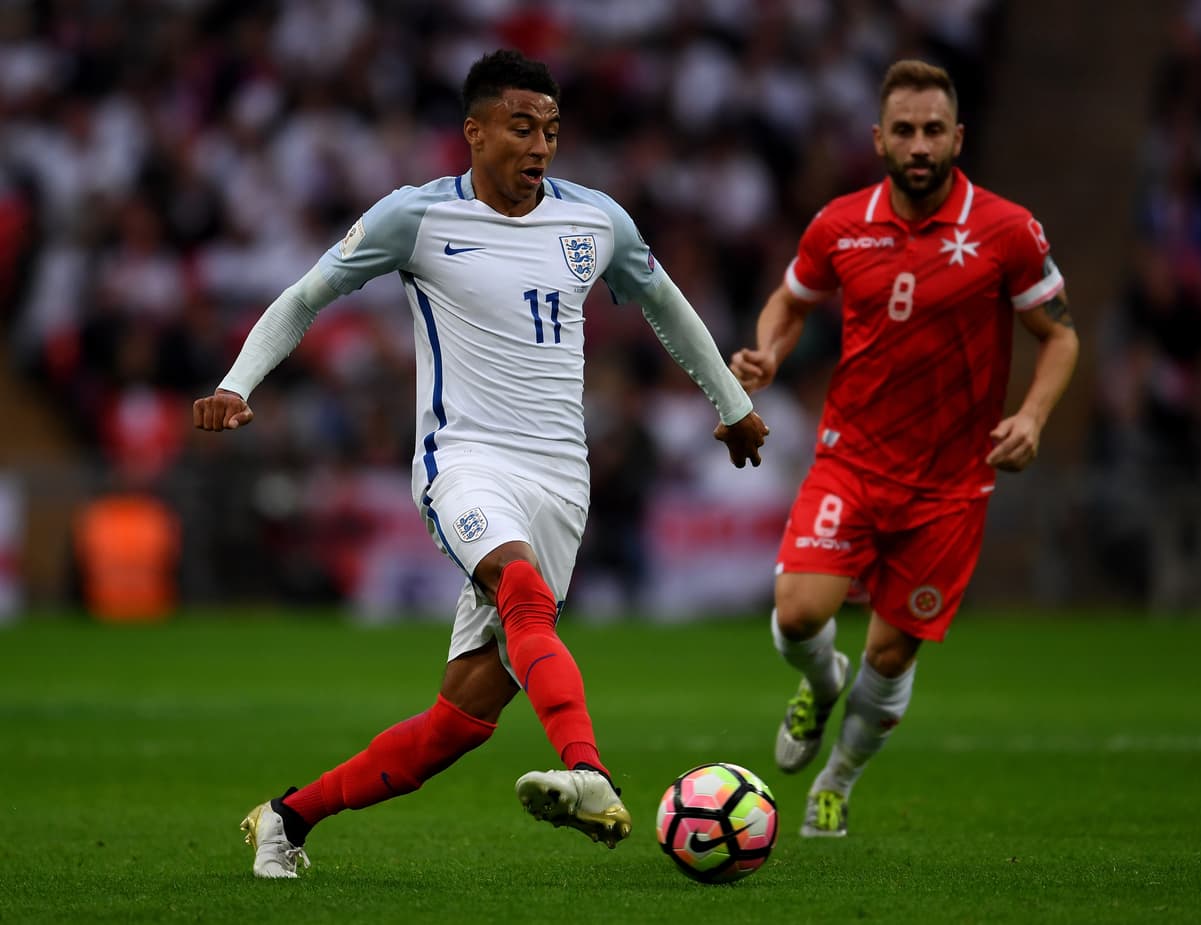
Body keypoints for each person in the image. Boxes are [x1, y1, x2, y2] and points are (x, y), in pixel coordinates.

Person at [194, 49, 769, 878]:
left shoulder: (595, 221)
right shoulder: (414, 217)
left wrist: (732, 406)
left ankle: (286, 818)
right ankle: (589, 772)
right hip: (462, 463)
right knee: (522, 588)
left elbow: (664, 302)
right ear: (475, 131)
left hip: (561, 485)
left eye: (552, 131)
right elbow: (305, 296)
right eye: (522, 127)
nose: (540, 146)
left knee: (454, 725)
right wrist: (236, 383)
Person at [730, 59, 1078, 838]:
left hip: (951, 486)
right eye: (904, 131)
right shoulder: (839, 224)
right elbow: (790, 298)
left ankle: (839, 777)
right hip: (850, 458)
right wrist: (769, 353)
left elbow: (1059, 337)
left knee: (891, 658)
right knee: (795, 615)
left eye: (933, 130)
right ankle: (821, 684)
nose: (919, 144)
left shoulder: (1008, 230)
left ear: (958, 136)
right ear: (879, 139)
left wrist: (1033, 417)